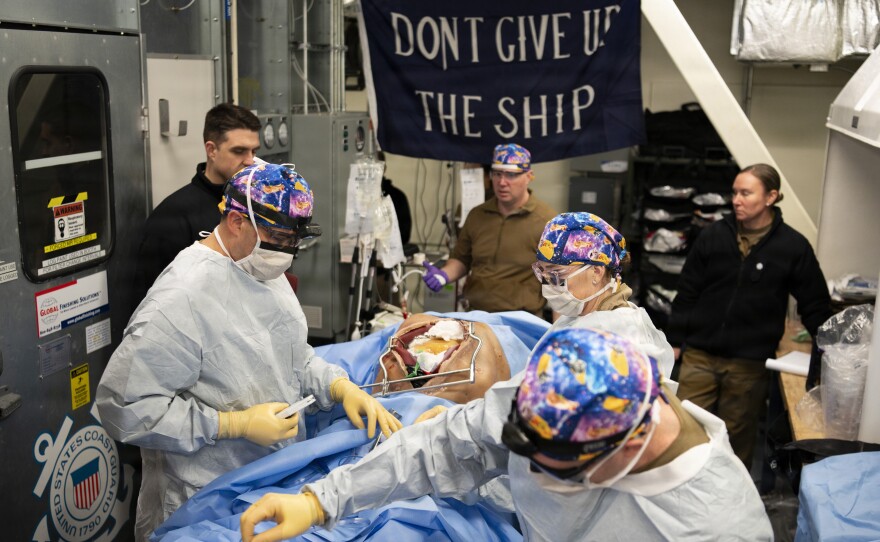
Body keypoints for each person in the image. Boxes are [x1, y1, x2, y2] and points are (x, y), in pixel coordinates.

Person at [96, 163, 402, 541]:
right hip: (204, 500)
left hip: (271, 478)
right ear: (237, 221)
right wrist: (232, 425)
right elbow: (125, 408)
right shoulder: (180, 298)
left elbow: (292, 357)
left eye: (295, 240)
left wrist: (339, 387)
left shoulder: (259, 269)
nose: (287, 252)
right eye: (279, 238)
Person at [239, 327, 772, 542]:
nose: (535, 474)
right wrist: (321, 501)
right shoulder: (565, 383)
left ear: (628, 448)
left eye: (557, 468)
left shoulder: (717, 529)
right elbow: (453, 443)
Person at [666, 163, 832, 468]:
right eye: (734, 193)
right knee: (684, 431)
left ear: (771, 197)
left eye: (746, 193)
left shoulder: (792, 247)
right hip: (699, 356)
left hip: (748, 364)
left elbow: (815, 304)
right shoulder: (713, 236)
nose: (736, 200)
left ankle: (729, 495)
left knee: (734, 440)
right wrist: (674, 341)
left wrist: (831, 351)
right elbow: (687, 291)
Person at [133, 102, 262, 303]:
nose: (250, 161)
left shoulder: (256, 204)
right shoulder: (172, 218)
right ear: (211, 150)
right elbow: (151, 301)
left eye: (253, 151)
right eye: (239, 151)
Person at [533, 212, 676, 381]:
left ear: (596, 272)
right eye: (543, 273)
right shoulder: (580, 316)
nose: (548, 284)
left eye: (557, 274)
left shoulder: (617, 333)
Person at [422, 143, 556, 316]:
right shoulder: (477, 215)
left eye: (511, 175)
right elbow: (461, 259)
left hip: (522, 319)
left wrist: (560, 327)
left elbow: (558, 279)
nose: (502, 182)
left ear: (529, 176)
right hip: (477, 315)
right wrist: (443, 275)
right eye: (497, 174)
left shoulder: (547, 221)